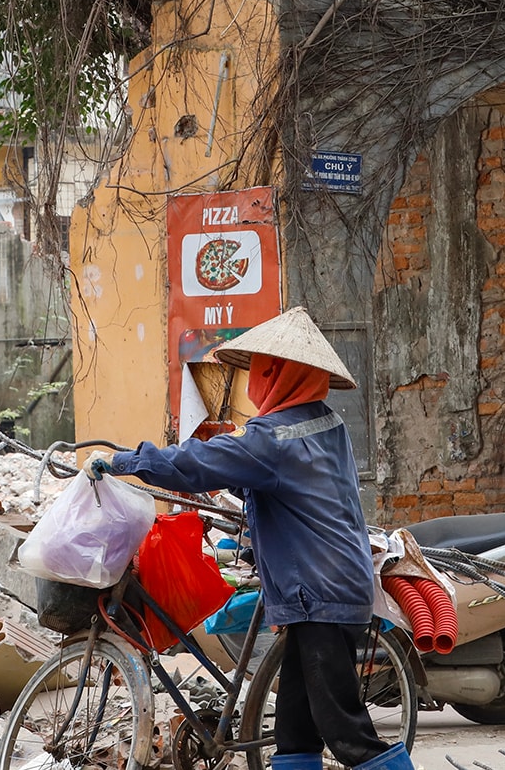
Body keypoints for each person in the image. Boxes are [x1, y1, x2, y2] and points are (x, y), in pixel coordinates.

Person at [92, 307, 409, 770]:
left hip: (318, 595)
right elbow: (299, 485)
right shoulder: (326, 425)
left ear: (279, 373)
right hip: (337, 587)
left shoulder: (274, 438)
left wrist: (125, 461)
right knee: (294, 733)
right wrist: (242, 483)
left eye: (261, 369)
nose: (254, 379)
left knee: (347, 735)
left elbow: (193, 463)